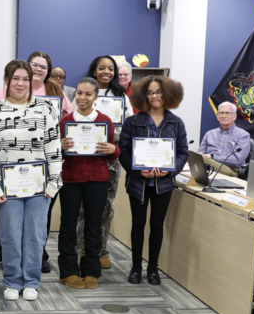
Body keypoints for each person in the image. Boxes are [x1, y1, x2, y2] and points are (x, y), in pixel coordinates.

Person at [0, 60, 62, 301]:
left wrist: (53, 184)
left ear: (32, 81)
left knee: (36, 235)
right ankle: (11, 280)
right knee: (9, 235)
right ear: (6, 81)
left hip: (40, 188)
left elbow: (54, 149)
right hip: (7, 188)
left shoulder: (45, 109)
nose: (20, 83)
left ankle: (31, 281)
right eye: (15, 78)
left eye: (25, 79)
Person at [0, 51, 72, 268]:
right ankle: (8, 259)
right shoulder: (2, 94)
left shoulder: (55, 93)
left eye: (42, 67)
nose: (37, 69)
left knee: (37, 222)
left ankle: (36, 258)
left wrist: (63, 142)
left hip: (41, 171)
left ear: (48, 71)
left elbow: (68, 122)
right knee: (9, 222)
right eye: (33, 65)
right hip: (9, 172)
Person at [118, 75, 189, 286]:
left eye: (158, 92)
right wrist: (137, 172)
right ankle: (136, 267)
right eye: (150, 92)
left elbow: (183, 153)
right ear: (143, 95)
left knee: (157, 226)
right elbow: (124, 152)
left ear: (167, 94)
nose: (154, 96)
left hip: (164, 185)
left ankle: (153, 268)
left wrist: (171, 170)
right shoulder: (133, 122)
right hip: (138, 184)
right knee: (138, 225)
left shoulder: (176, 122)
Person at [58, 77, 120, 290]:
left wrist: (115, 150)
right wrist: (60, 146)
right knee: (68, 225)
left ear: (96, 96)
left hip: (97, 180)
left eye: (88, 94)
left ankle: (91, 270)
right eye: (79, 93)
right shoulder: (65, 121)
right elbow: (57, 154)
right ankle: (68, 271)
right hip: (71, 179)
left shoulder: (104, 120)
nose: (83, 97)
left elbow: (112, 152)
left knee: (94, 225)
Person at [81, 55, 134, 271]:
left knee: (106, 205)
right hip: (83, 156)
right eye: (101, 68)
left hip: (110, 157)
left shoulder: (121, 96)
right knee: (83, 206)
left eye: (110, 69)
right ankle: (81, 250)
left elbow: (128, 125)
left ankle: (101, 250)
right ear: (94, 71)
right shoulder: (84, 90)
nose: (106, 72)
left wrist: (113, 140)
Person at [199, 102, 251, 177]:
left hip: (231, 170)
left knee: (201, 158)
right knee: (191, 156)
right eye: (221, 113)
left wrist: (213, 157)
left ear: (234, 116)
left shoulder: (243, 135)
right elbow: (199, 154)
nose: (224, 116)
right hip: (208, 167)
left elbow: (236, 161)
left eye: (227, 113)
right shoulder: (209, 134)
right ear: (217, 116)